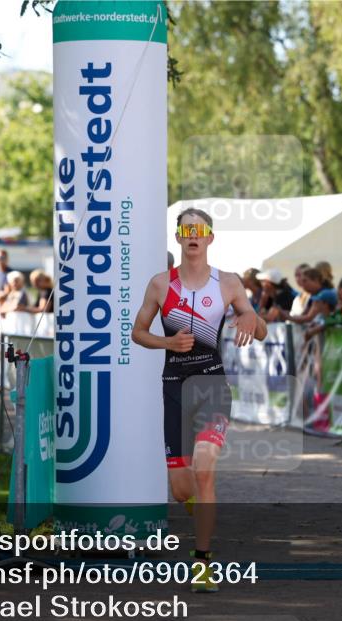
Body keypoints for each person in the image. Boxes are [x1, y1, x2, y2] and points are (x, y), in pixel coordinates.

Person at [131, 207, 266, 593]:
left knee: (205, 471)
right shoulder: (160, 284)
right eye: (185, 229)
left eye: (199, 229)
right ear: (178, 237)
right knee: (181, 488)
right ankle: (201, 510)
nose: (192, 235)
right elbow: (138, 333)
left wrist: (250, 317)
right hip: (174, 385)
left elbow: (260, 330)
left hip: (211, 386)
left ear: (210, 237)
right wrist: (167, 342)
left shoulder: (228, 284)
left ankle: (202, 562)